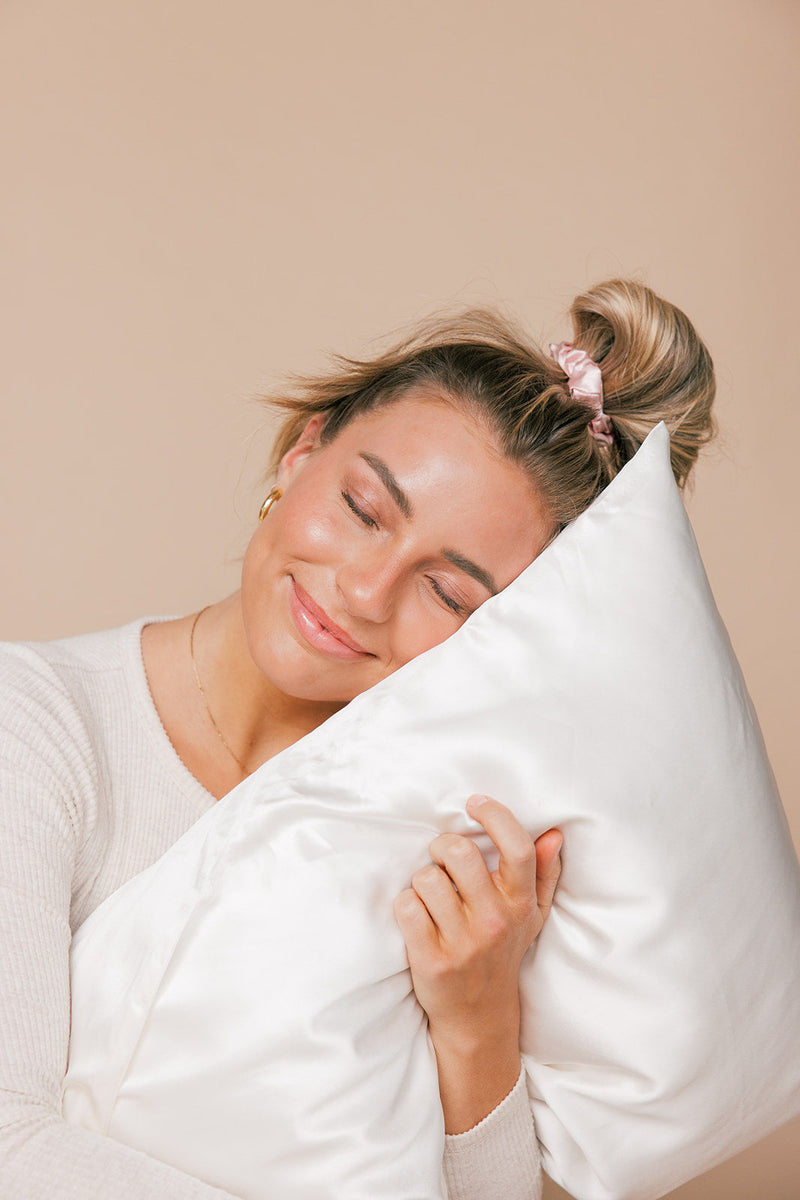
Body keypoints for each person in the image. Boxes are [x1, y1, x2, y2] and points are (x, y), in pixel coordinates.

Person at [0, 278, 715, 1200]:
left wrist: (478, 1026)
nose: (366, 591)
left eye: (450, 593)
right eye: (364, 509)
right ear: (302, 453)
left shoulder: (447, 845)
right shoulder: (40, 725)